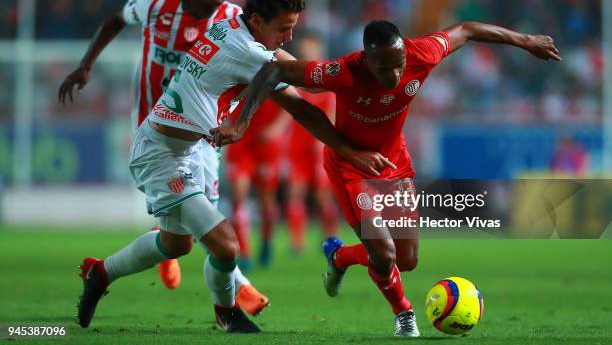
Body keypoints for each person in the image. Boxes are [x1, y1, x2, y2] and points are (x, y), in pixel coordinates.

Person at [75, 0, 393, 334]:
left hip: (188, 149)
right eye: (283, 29)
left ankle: (99, 272)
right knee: (226, 245)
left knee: (175, 243)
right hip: (162, 153)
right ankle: (227, 313)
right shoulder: (249, 53)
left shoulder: (236, 31)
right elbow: (305, 95)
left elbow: (303, 91)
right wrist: (366, 78)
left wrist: (348, 147)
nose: (288, 37)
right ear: (257, 21)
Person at [212, 20, 561, 337]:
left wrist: (526, 38)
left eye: (398, 65)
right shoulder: (343, 71)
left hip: (394, 166)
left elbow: (467, 30)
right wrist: (241, 122)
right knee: (383, 251)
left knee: (405, 260)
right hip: (349, 167)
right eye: (383, 67)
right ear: (366, 59)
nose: (394, 74)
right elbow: (275, 71)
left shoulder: (421, 53)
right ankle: (404, 313)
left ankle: (340, 258)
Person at [57, 0, 268, 314]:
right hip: (160, 133)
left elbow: (265, 65)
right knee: (208, 226)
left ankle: (144, 258)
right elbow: (115, 19)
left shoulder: (234, 19)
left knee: (189, 232)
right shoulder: (157, 4)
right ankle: (236, 293)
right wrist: (86, 64)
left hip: (205, 136)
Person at [285, 32, 338, 252]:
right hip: (297, 147)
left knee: (322, 195)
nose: (307, 50)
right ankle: (297, 242)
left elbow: (333, 114)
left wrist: (325, 140)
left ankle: (330, 239)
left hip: (319, 147)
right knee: (295, 192)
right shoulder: (296, 76)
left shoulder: (328, 79)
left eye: (311, 47)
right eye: (304, 47)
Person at [225, 100, 290, 269]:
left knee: (266, 199)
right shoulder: (234, 74)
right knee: (238, 195)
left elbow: (289, 106)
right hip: (240, 142)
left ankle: (267, 240)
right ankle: (244, 251)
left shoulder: (273, 75)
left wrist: (275, 129)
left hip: (266, 144)